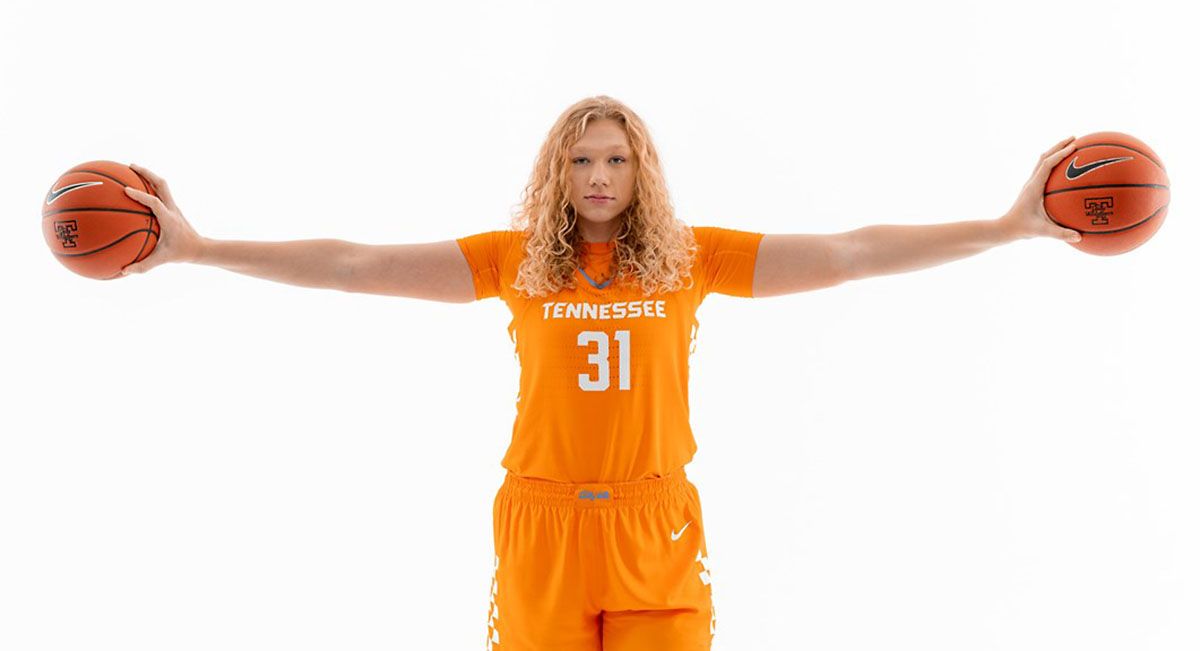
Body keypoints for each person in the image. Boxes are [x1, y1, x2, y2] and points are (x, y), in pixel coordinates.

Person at [119, 95, 1081, 650]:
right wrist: (199, 249)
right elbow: (353, 262)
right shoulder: (512, 261)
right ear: (556, 172)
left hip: (650, 519)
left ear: (641, 169)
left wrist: (1007, 225)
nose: (598, 177)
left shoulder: (689, 260)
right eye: (580, 159)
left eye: (616, 158)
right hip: (541, 523)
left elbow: (851, 251)